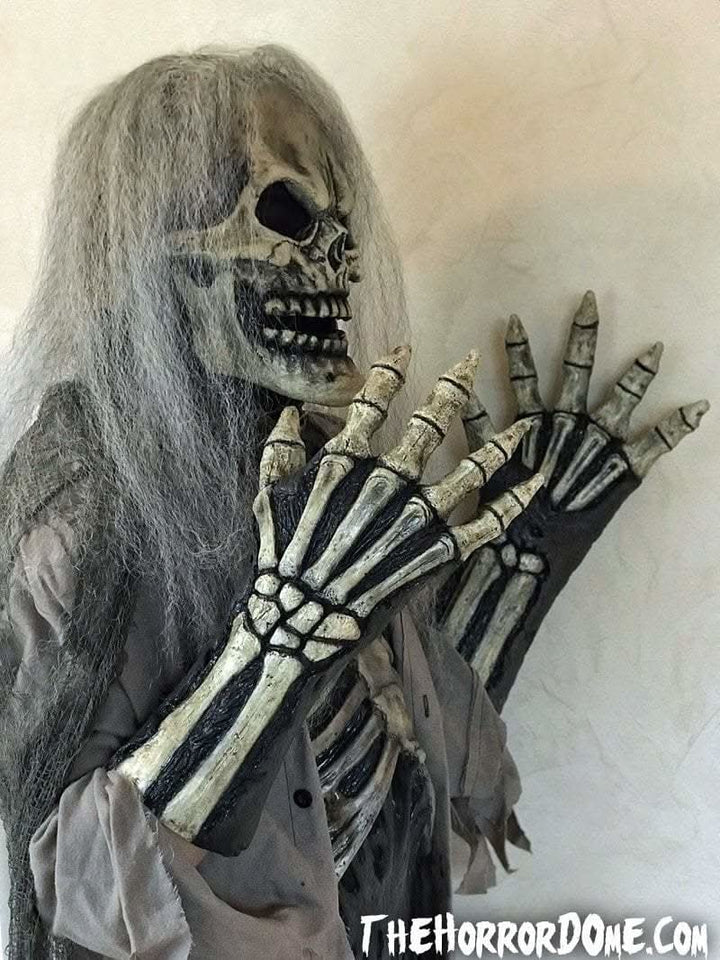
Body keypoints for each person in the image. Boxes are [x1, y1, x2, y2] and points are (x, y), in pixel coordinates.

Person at [0, 46, 530, 960]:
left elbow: (417, 746)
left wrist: (516, 561)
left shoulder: (313, 458)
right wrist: (278, 650)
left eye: (343, 221)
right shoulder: (87, 516)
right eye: (287, 215)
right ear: (149, 254)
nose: (342, 260)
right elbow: (72, 887)